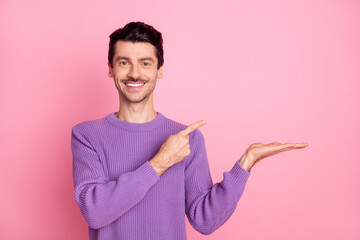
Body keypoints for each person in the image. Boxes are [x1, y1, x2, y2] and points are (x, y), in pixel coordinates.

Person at [71, 21, 308, 240]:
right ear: (111, 69)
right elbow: (95, 212)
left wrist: (246, 162)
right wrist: (160, 162)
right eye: (124, 63)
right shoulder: (87, 135)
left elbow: (204, 219)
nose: (134, 73)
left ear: (159, 70)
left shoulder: (187, 138)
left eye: (145, 63)